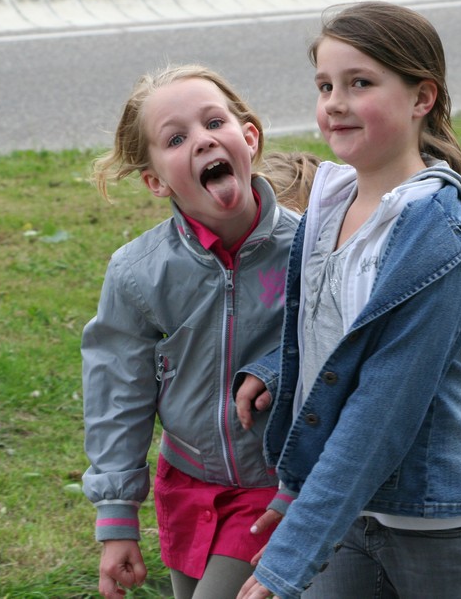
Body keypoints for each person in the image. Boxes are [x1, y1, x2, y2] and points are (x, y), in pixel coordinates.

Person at [235, 1, 461, 599]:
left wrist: (292, 552)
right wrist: (277, 370)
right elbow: (335, 331)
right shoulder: (329, 204)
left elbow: (383, 406)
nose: (335, 102)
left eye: (359, 83)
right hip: (346, 506)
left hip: (433, 516)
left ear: (421, 98)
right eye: (325, 85)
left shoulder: (435, 230)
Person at [81, 64, 299, 599]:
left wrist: (276, 368)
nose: (202, 140)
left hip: (275, 487)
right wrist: (117, 518)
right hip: (187, 487)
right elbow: (118, 392)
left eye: (214, 122)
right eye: (176, 139)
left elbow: (341, 350)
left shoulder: (310, 250)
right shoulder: (138, 273)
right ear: (156, 181)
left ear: (249, 138)